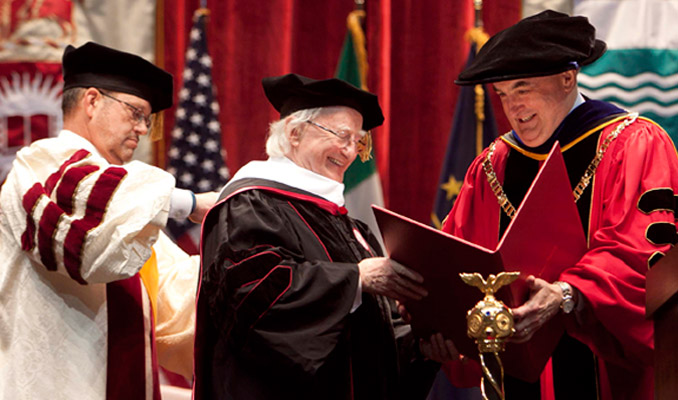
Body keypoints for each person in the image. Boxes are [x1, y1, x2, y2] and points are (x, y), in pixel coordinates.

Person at [441, 10, 678, 400]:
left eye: (523, 88)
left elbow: (644, 254)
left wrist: (568, 293)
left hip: (603, 371)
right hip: (519, 370)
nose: (513, 108)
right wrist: (444, 322)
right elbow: (460, 255)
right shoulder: (492, 164)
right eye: (501, 94)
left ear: (568, 78)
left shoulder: (633, 143)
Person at [194, 73, 441, 399]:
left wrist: (421, 347)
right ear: (295, 133)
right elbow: (251, 300)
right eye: (341, 135)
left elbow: (371, 337)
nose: (350, 152)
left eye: (358, 141)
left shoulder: (351, 228)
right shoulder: (251, 204)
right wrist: (354, 278)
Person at [0, 42, 216, 399]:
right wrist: (191, 202)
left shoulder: (127, 218)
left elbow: (175, 299)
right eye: (136, 113)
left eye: (147, 119)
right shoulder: (39, 167)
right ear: (92, 101)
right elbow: (87, 230)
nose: (143, 129)